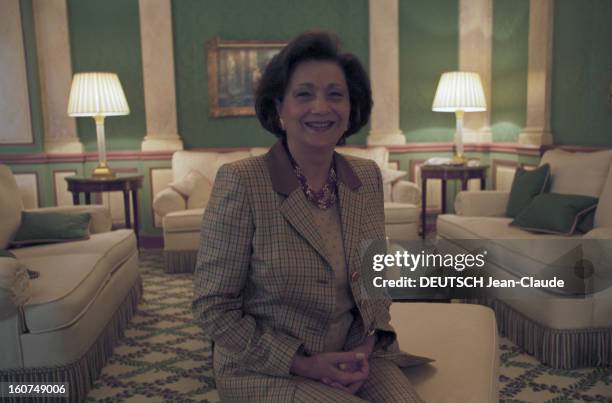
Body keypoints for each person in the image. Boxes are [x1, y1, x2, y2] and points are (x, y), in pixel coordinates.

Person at [193, 31, 429, 402]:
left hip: (353, 354)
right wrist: (306, 365)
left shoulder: (365, 177)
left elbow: (375, 279)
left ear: (352, 108)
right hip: (266, 367)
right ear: (279, 108)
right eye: (304, 94)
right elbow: (213, 307)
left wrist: (363, 350)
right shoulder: (242, 181)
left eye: (335, 94)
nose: (321, 107)